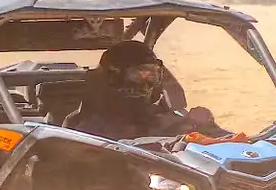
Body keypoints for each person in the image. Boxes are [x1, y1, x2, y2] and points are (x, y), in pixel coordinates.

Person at [69, 40, 223, 140]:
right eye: (141, 72)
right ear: (114, 75)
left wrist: (206, 125)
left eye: (153, 73)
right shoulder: (85, 130)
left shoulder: (167, 120)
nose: (148, 81)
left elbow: (226, 143)